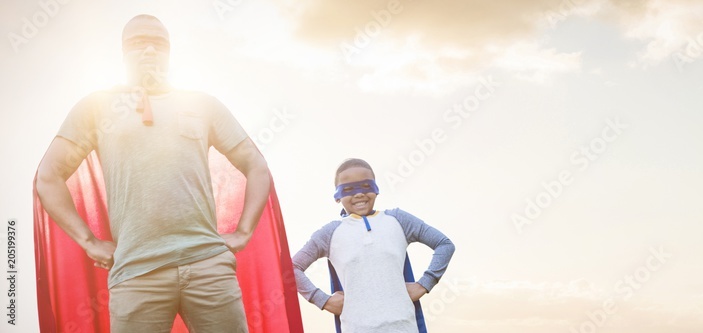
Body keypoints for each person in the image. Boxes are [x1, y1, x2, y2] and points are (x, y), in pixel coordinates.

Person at [34, 14, 270, 332]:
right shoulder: (96, 107)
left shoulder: (203, 105)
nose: (149, 50)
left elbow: (256, 165)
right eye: (137, 43)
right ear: (122, 53)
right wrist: (88, 241)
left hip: (208, 265)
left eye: (158, 43)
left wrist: (243, 232)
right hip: (135, 272)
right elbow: (48, 176)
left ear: (169, 52)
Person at [293, 158, 456, 332]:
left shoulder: (398, 220)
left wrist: (425, 283)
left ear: (376, 189)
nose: (358, 194)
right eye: (348, 189)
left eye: (365, 186)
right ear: (337, 197)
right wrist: (321, 299)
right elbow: (292, 267)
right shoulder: (330, 233)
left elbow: (444, 244)